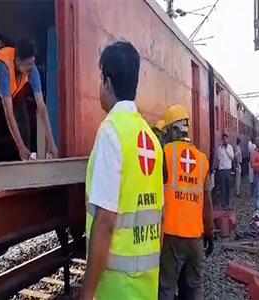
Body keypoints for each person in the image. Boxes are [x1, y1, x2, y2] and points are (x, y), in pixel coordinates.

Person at [80, 41, 164, 300]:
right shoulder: (150, 138)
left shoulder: (111, 132)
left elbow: (105, 222)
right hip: (146, 287)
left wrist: (87, 292)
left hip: (116, 288)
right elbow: (160, 218)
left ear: (107, 82)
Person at [159, 104, 213, 300]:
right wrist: (209, 232)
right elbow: (207, 203)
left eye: (166, 131)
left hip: (170, 235)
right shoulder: (202, 160)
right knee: (193, 289)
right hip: (195, 237)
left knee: (165, 287)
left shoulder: (164, 154)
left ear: (173, 129)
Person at [0, 38, 58, 162]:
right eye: (29, 64)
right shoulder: (3, 67)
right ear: (18, 61)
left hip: (15, 88)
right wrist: (20, 147)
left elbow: (42, 107)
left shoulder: (31, 69)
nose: (32, 67)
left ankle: (26, 157)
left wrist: (52, 143)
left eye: (33, 63)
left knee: (23, 121)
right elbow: (8, 114)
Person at [217, 134, 234, 209]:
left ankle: (228, 203)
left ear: (227, 139)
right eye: (224, 139)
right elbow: (219, 158)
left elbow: (232, 157)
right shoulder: (220, 148)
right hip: (222, 170)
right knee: (222, 187)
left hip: (228, 169)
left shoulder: (230, 147)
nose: (225, 140)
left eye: (226, 139)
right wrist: (222, 149)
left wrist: (226, 150)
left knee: (228, 187)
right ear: (222, 140)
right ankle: (223, 203)